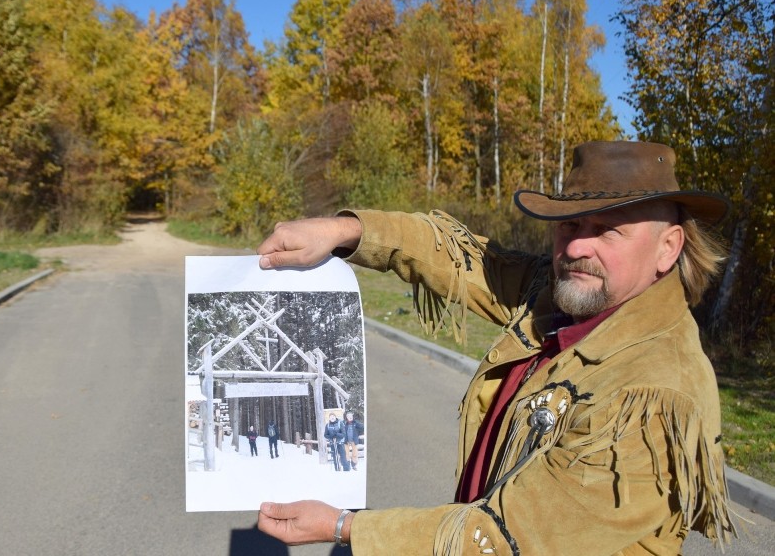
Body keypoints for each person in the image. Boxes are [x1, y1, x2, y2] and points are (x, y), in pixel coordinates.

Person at [256, 141, 736, 555]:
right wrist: (343, 231)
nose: (575, 248)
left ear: (668, 247)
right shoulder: (565, 296)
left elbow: (502, 539)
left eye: (609, 229)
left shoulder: (652, 395)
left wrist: (343, 527)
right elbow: (463, 258)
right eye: (569, 225)